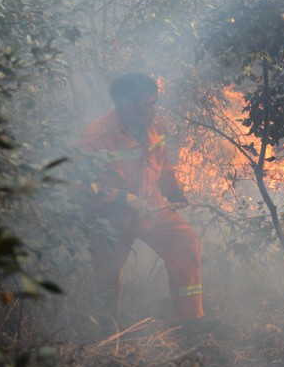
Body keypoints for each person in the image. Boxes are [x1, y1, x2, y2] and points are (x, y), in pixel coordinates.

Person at [77, 73, 213, 336]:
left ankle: (189, 320)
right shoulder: (95, 137)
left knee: (185, 241)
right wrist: (122, 198)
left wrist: (174, 191)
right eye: (150, 103)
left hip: (151, 209)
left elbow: (163, 163)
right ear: (128, 105)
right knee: (108, 278)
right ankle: (107, 335)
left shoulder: (155, 125)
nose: (155, 109)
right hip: (109, 220)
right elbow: (79, 186)